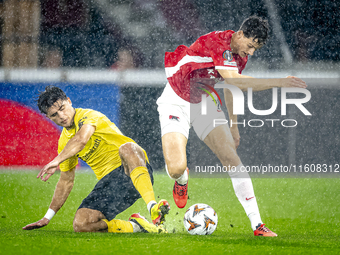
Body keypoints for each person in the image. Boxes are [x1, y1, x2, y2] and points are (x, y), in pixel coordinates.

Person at [156, 16, 307, 237]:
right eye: (251, 46)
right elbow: (236, 80)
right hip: (175, 100)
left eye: (256, 49)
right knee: (176, 168)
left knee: (231, 159)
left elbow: (229, 86)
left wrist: (233, 125)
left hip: (204, 102)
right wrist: (280, 81)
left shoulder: (239, 55)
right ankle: (182, 179)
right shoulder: (219, 43)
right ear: (240, 34)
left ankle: (258, 225)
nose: (252, 52)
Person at [23, 85, 170, 233]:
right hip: (111, 186)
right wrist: (47, 217)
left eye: (62, 108)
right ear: (48, 117)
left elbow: (81, 139)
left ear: (69, 101)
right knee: (81, 225)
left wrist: (56, 160)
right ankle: (137, 226)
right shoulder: (64, 144)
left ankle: (152, 206)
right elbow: (66, 181)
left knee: (128, 147)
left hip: (132, 168)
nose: (61, 116)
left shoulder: (88, 116)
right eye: (54, 115)